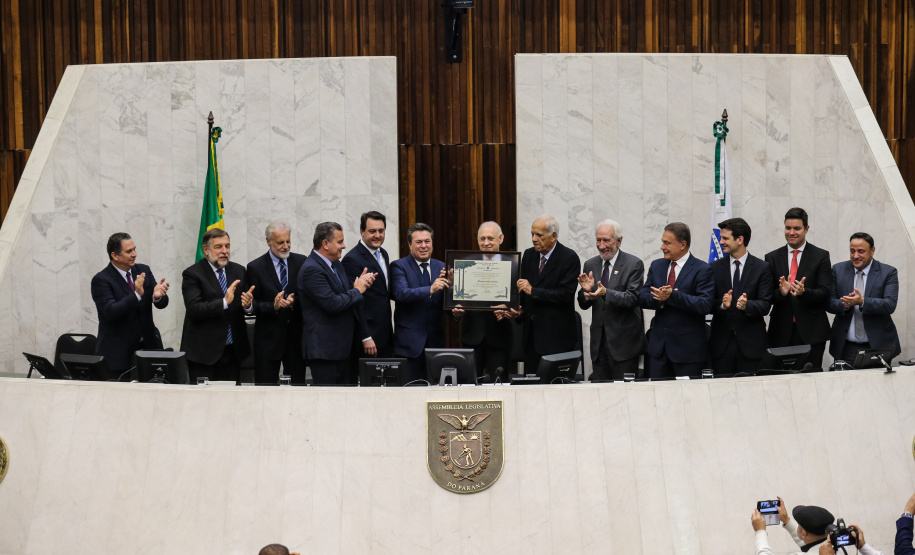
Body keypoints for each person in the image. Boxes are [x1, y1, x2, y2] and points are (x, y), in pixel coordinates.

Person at [298, 221, 376, 385]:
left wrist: (361, 284)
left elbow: (346, 294)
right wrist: (357, 290)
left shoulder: (336, 264)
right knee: (328, 404)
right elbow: (332, 303)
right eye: (340, 241)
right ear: (325, 244)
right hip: (325, 352)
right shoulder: (312, 269)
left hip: (344, 350)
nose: (344, 245)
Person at [502, 215, 580, 375]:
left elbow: (565, 295)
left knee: (556, 390)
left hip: (557, 340)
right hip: (531, 339)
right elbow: (523, 295)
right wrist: (518, 311)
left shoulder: (569, 258)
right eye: (532, 234)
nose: (534, 239)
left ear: (553, 236)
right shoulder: (529, 255)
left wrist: (534, 290)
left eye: (539, 235)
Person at [638, 222, 714, 379]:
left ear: (682, 244)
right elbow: (643, 296)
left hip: (688, 353)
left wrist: (673, 296)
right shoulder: (657, 265)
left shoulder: (702, 269)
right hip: (659, 351)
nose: (662, 247)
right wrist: (660, 298)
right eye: (662, 242)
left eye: (667, 243)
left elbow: (705, 304)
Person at [180, 228, 254, 383]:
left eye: (227, 246)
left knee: (231, 402)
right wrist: (224, 303)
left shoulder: (239, 270)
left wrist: (248, 305)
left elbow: (245, 304)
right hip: (204, 354)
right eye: (218, 247)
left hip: (234, 351)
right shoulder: (192, 274)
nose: (224, 251)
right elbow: (194, 309)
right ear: (206, 250)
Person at [90, 232, 170, 375]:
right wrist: (137, 295)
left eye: (134, 249)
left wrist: (157, 296)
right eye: (129, 251)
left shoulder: (143, 270)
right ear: (115, 255)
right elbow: (111, 312)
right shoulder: (101, 280)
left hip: (148, 350)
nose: (134, 254)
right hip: (118, 355)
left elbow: (161, 303)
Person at [576, 219, 646, 381]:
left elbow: (632, 298)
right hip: (598, 345)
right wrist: (586, 292)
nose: (601, 246)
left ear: (619, 241)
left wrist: (605, 292)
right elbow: (583, 303)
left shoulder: (633, 264)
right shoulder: (590, 264)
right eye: (598, 240)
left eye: (606, 240)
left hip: (624, 346)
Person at [765, 207, 833, 369]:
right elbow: (767, 295)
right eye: (788, 228)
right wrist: (781, 293)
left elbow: (825, 292)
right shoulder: (772, 257)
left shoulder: (821, 256)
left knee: (811, 380)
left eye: (797, 228)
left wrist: (804, 292)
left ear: (806, 229)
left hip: (812, 332)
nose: (792, 232)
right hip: (781, 331)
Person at [708, 218, 774, 375]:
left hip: (751, 346)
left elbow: (765, 305)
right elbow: (708, 303)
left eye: (725, 238)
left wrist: (746, 305)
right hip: (721, 346)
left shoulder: (762, 268)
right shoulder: (713, 268)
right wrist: (723, 305)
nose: (721, 241)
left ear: (740, 240)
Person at [451, 221, 514, 382]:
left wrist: (509, 307)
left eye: (491, 238)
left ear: (501, 238)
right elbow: (456, 299)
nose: (486, 243)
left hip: (500, 337)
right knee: (470, 384)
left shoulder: (514, 265)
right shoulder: (466, 264)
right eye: (482, 238)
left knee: (500, 384)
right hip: (472, 336)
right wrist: (456, 308)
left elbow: (519, 299)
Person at [246, 220, 307, 384]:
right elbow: (253, 305)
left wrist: (293, 302)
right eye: (280, 242)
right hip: (268, 342)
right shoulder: (255, 267)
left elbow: (308, 296)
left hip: (295, 341)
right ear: (269, 241)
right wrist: (273, 306)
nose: (285, 246)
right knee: (265, 391)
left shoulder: (302, 262)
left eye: (288, 241)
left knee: (297, 390)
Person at [827, 232, 901, 366]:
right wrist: (846, 304)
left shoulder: (888, 272)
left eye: (861, 251)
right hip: (846, 347)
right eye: (852, 251)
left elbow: (890, 304)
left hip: (877, 346)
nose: (855, 256)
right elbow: (830, 303)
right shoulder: (838, 270)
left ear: (872, 250)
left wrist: (862, 301)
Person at [390, 223, 448, 382]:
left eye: (427, 241)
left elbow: (446, 301)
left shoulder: (442, 267)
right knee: (409, 393)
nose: (424, 246)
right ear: (409, 244)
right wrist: (430, 289)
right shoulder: (398, 266)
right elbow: (400, 293)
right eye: (418, 242)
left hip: (435, 344)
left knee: (436, 393)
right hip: (409, 345)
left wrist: (456, 311)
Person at [342, 211, 394, 379]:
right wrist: (366, 336)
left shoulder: (383, 254)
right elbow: (355, 302)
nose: (377, 235)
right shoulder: (352, 259)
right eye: (372, 231)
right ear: (362, 231)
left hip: (385, 332)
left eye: (381, 230)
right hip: (368, 337)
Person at [751, 498, 882, 555]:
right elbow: (811, 547)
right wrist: (787, 522)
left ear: (804, 534)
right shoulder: (839, 548)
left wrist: (760, 531)